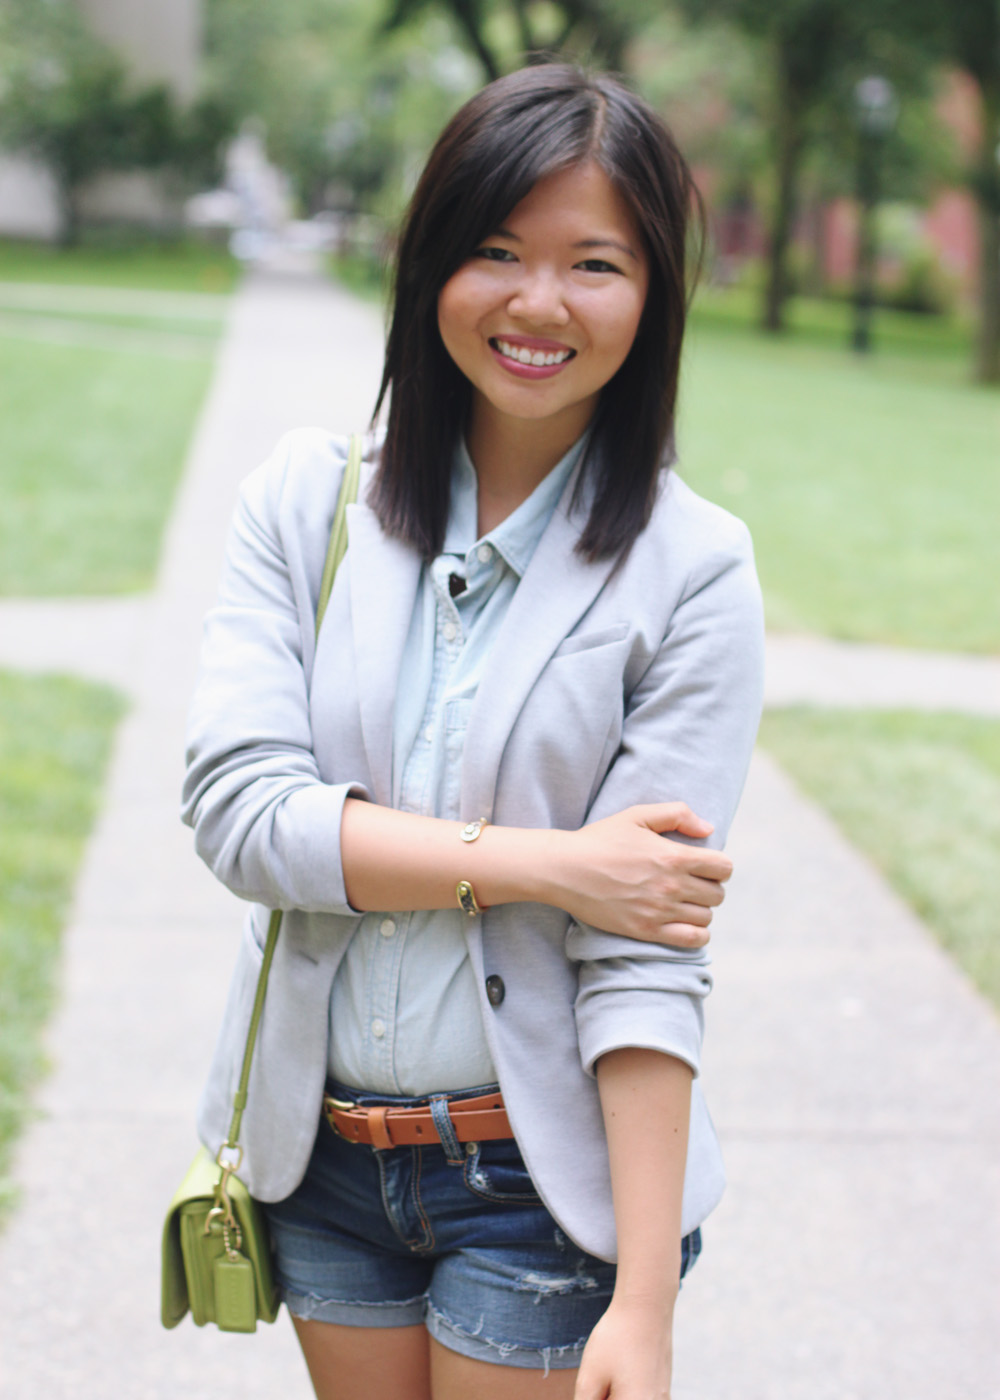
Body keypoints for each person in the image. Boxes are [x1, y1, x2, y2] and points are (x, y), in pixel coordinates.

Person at [182, 63, 764, 1400]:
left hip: (537, 1186)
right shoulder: (303, 504)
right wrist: (552, 864)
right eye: (496, 250)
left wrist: (646, 1303)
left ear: (657, 294)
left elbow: (646, 948)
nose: (538, 303)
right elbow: (240, 815)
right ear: (430, 262)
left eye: (594, 263)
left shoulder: (694, 573)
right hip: (323, 1162)